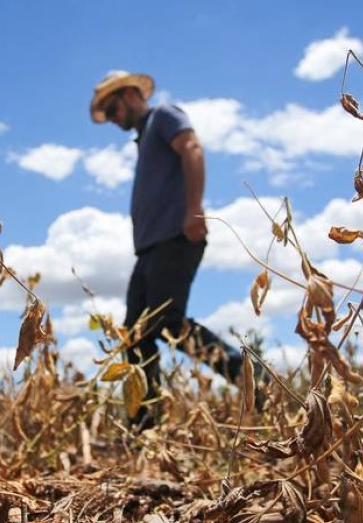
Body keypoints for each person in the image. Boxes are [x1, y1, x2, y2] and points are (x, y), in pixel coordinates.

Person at [89, 70, 256, 428]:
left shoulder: (164, 116)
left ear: (132, 95)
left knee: (166, 323)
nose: (115, 118)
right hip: (148, 250)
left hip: (174, 239)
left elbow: (192, 148)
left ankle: (255, 382)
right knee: (134, 335)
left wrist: (194, 210)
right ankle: (143, 422)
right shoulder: (143, 138)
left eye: (114, 108)